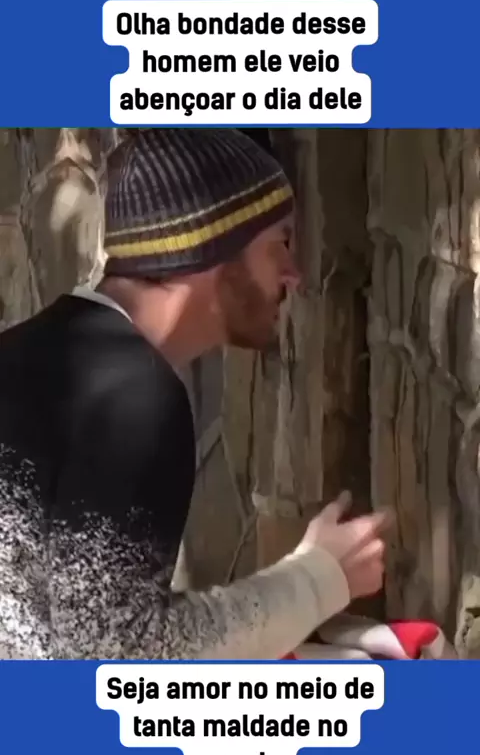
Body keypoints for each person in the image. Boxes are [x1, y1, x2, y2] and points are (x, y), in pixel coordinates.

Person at [0, 128, 389, 660]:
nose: (294, 275)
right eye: (280, 243)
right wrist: (321, 578)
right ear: (213, 242)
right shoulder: (134, 404)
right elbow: (117, 660)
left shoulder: (23, 355)